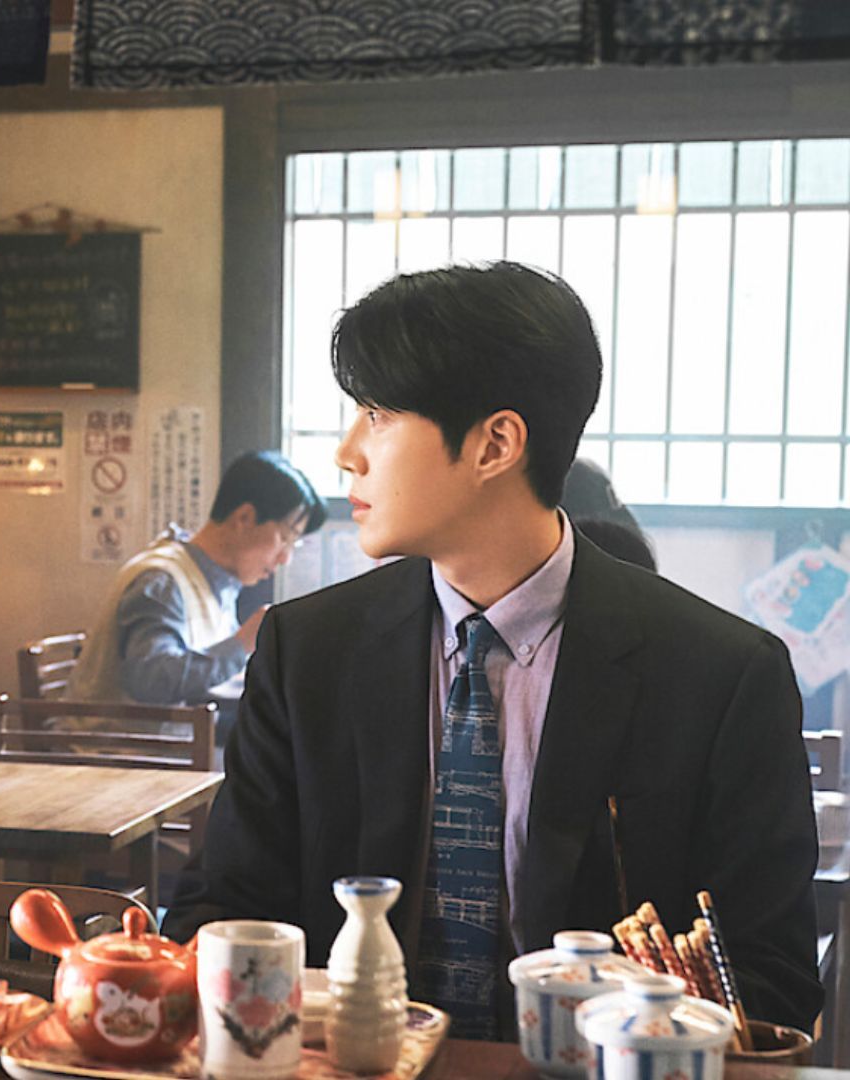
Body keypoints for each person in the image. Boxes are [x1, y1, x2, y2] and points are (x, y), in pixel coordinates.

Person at [163, 262, 820, 1037]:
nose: (347, 452)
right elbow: (222, 910)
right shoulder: (306, 650)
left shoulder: (719, 675)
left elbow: (770, 981)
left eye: (377, 414)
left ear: (496, 444)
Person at [66, 450, 326, 706]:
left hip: (181, 733)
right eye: (285, 538)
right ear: (244, 518)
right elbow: (151, 680)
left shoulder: (217, 580)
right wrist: (242, 644)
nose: (285, 558)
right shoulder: (162, 581)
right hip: (116, 735)